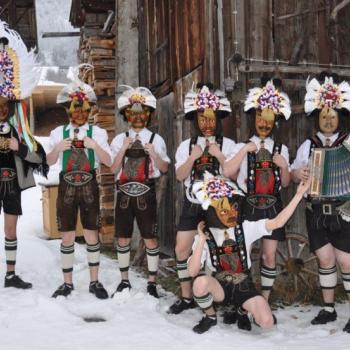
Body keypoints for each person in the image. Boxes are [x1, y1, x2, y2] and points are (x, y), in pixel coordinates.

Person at [188, 173, 311, 334]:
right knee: (200, 284)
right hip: (220, 286)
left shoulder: (245, 227)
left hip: (244, 286)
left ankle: (243, 310)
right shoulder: (205, 235)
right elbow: (192, 271)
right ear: (213, 212)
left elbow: (278, 222)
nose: (231, 214)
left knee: (267, 322)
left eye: (233, 209)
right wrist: (202, 240)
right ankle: (210, 316)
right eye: (224, 211)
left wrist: (299, 195)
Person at [168, 83, 236, 314]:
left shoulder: (229, 145)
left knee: (225, 251)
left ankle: (222, 298)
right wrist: (193, 158)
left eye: (211, 119)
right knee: (181, 250)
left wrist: (220, 156)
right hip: (192, 204)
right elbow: (179, 176)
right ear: (195, 121)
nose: (206, 124)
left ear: (218, 119)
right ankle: (187, 297)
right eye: (202, 119)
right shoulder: (186, 146)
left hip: (221, 205)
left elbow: (235, 175)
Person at [224, 78, 292, 305]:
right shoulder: (241, 146)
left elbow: (286, 182)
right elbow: (228, 172)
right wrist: (244, 150)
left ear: (275, 122)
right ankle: (244, 299)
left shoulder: (281, 149)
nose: (264, 123)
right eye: (260, 118)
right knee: (243, 255)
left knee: (268, 256)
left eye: (269, 119)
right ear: (254, 118)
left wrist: (283, 165)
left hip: (273, 205)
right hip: (247, 206)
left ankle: (264, 299)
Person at [291, 73, 350, 332]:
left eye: (332, 116)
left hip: (343, 211)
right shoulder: (308, 145)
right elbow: (293, 172)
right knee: (325, 260)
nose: (328, 120)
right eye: (324, 116)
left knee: (347, 262)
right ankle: (328, 310)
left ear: (339, 118)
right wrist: (298, 174)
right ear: (318, 117)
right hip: (316, 212)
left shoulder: (347, 144)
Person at [47, 66, 112, 299]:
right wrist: (57, 148)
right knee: (67, 235)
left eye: (85, 108)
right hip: (65, 186)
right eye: (76, 108)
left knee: (92, 233)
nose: (81, 113)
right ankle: (67, 283)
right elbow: (48, 161)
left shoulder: (98, 133)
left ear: (89, 109)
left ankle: (95, 282)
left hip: (89, 186)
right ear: (68, 109)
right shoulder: (58, 132)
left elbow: (108, 161)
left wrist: (96, 147)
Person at [0, 21, 48, 289]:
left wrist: (20, 149)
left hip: (11, 186)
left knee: (10, 231)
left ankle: (10, 274)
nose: (1, 109)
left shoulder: (20, 132)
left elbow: (38, 158)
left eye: (5, 105)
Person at [110, 86, 170, 298]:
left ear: (148, 114)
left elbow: (164, 169)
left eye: (141, 112)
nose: (137, 116)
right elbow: (113, 169)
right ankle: (124, 280)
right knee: (123, 238)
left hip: (146, 193)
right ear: (126, 114)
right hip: (124, 195)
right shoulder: (119, 139)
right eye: (132, 112)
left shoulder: (156, 140)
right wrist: (123, 149)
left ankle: (152, 282)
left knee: (151, 238)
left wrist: (153, 153)